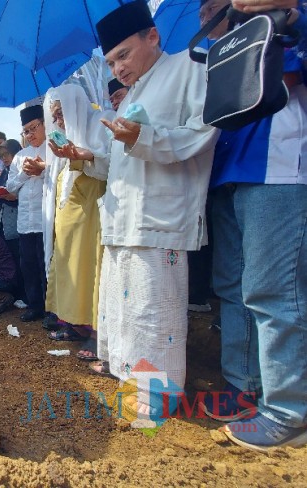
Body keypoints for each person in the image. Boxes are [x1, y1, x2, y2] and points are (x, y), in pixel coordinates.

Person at [92, 2, 219, 423]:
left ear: (153, 37)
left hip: (160, 214)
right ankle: (133, 375)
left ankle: (161, 393)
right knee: (127, 307)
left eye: (123, 55)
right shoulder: (131, 96)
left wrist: (144, 136)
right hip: (124, 215)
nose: (118, 69)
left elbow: (203, 133)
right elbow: (118, 162)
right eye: (111, 62)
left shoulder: (190, 68)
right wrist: (84, 157)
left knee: (155, 307)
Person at [195, 0, 307, 451]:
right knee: (232, 286)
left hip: (275, 167)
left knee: (273, 290)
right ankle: (244, 388)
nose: (204, 19)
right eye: (199, 13)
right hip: (229, 173)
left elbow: (288, 77)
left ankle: (289, 409)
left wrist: (293, 14)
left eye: (210, 8)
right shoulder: (218, 51)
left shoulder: (284, 20)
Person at [42, 84, 111, 361]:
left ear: (73, 107)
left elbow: (113, 165)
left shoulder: (101, 122)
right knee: (69, 268)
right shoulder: (65, 135)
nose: (57, 120)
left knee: (91, 269)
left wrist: (84, 155)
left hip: (92, 209)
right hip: (69, 211)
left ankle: (98, 334)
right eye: (55, 116)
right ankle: (74, 324)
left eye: (60, 114)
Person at [6, 105, 48, 322]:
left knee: (46, 266)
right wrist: (24, 174)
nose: (30, 135)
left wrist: (44, 169)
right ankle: (34, 306)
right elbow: (10, 187)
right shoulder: (20, 156)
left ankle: (51, 309)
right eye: (26, 131)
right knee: (28, 266)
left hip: (46, 221)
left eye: (33, 128)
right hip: (25, 221)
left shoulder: (54, 149)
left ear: (44, 124)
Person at [0, 139, 26, 303]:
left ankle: (23, 294)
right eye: (2, 156)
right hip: (5, 220)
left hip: (18, 219)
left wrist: (9, 195)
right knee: (9, 256)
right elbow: (2, 192)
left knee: (19, 257)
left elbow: (21, 194)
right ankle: (13, 291)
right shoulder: (4, 171)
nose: (5, 158)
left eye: (7, 154)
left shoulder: (23, 169)